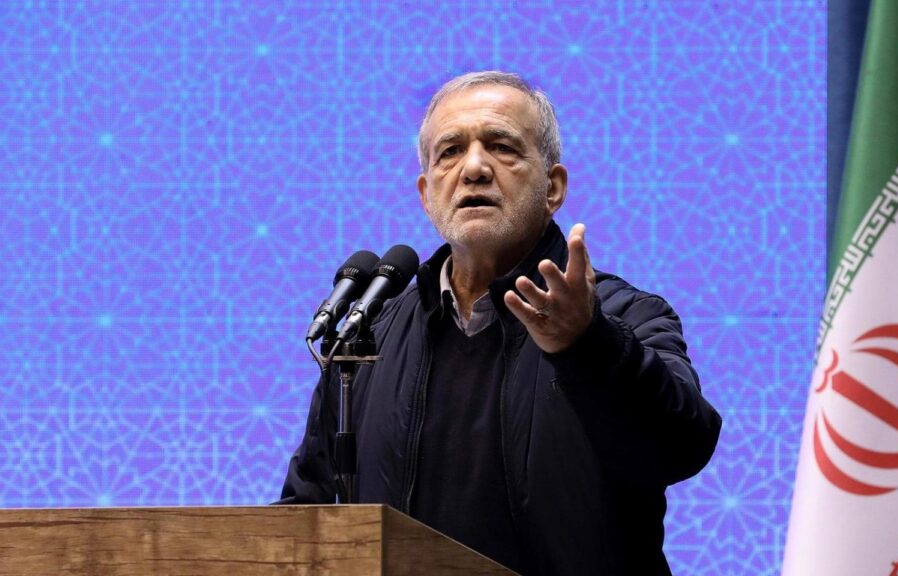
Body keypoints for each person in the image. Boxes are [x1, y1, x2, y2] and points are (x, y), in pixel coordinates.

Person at [280, 71, 722, 575]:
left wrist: (585, 344)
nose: (473, 169)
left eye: (502, 147)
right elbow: (304, 514)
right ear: (426, 194)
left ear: (553, 187)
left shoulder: (622, 316)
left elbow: (680, 447)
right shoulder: (367, 340)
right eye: (450, 152)